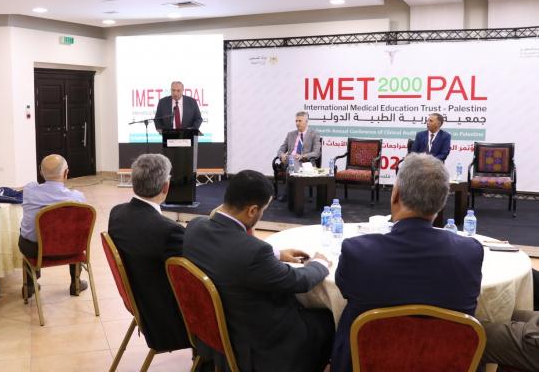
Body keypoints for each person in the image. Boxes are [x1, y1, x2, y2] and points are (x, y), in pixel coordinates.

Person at [332, 153, 483, 372]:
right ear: (441, 202)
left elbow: (343, 288)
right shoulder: (470, 253)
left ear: (395, 195)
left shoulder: (357, 253)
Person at [183, 170, 335, 372]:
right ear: (252, 210)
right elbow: (299, 281)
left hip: (214, 335)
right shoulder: (253, 253)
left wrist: (277, 253)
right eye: (263, 209)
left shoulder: (195, 227)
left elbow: (231, 250)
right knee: (331, 320)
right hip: (257, 346)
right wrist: (319, 263)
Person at [108, 154, 190, 352]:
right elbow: (194, 274)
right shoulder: (168, 231)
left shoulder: (117, 213)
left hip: (140, 305)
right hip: (167, 322)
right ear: (166, 187)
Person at [19, 154, 88, 296]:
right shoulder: (77, 197)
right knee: (72, 234)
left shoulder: (29, 191)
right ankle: (75, 282)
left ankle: (30, 285)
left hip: (35, 250)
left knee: (27, 234)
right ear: (66, 173)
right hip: (70, 249)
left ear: (41, 172)